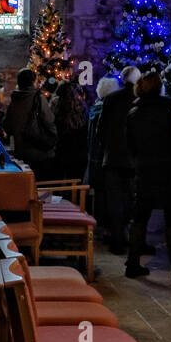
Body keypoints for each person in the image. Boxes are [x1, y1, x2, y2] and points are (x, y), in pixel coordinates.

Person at [125, 70, 171, 284]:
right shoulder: (169, 113)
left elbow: (130, 146)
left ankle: (133, 263)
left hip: (145, 172)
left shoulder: (134, 114)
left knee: (139, 219)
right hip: (169, 173)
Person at [97, 66, 141, 254]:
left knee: (114, 201)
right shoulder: (140, 101)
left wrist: (107, 147)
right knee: (132, 201)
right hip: (133, 160)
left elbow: (102, 129)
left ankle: (117, 241)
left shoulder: (110, 100)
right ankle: (131, 239)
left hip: (113, 157)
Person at [1, 67, 57, 178]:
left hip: (21, 151)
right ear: (32, 82)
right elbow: (49, 120)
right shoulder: (39, 98)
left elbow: (8, 126)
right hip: (39, 150)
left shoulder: (15, 100)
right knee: (41, 188)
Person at [86, 76, 120, 229]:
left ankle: (99, 225)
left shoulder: (94, 110)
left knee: (100, 195)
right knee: (109, 196)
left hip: (94, 158)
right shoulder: (108, 112)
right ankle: (106, 227)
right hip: (105, 158)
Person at [50, 81, 88, 182]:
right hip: (79, 151)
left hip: (60, 149)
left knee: (56, 182)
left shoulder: (55, 104)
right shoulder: (81, 105)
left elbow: (50, 123)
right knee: (76, 182)